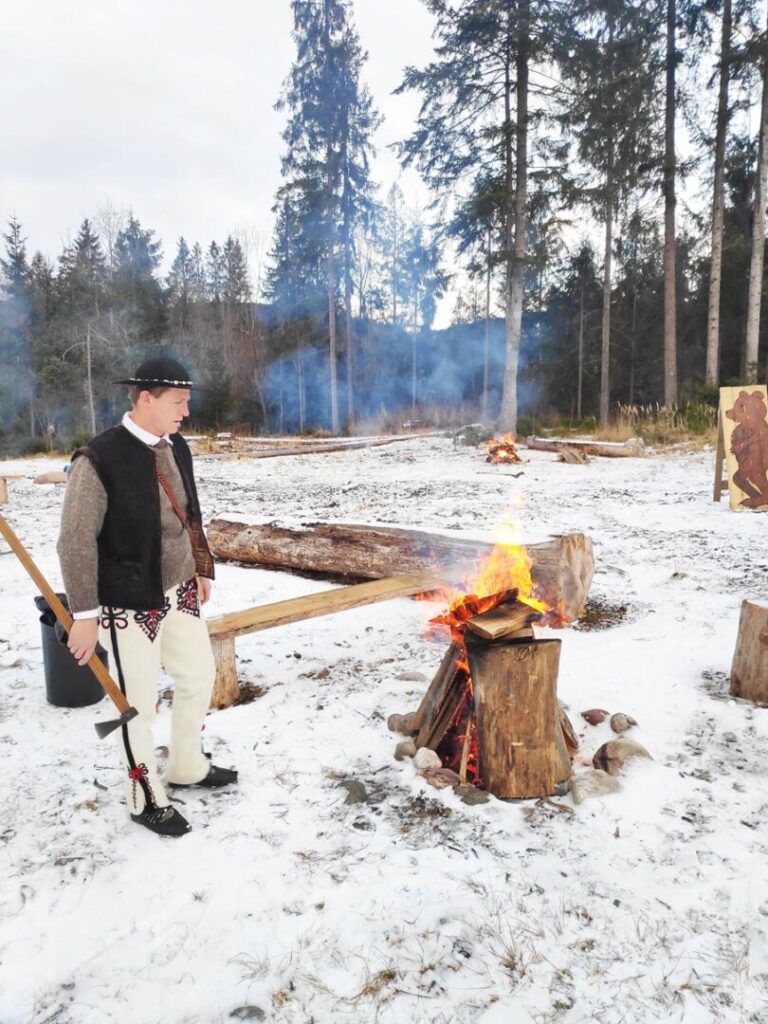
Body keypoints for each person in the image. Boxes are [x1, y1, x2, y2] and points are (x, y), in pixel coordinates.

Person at [57, 356, 237, 837]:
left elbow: (190, 514)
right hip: (126, 603)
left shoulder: (176, 447)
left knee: (199, 675)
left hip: (179, 591)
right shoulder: (97, 459)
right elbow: (74, 540)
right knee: (136, 702)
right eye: (178, 403)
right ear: (145, 399)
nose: (184, 412)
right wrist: (84, 614)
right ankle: (143, 795)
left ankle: (187, 765)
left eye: (187, 403)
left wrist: (200, 566)